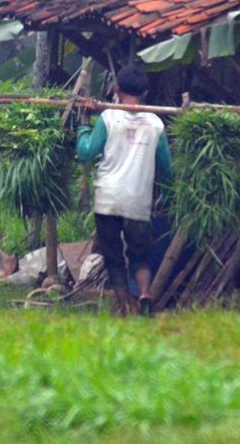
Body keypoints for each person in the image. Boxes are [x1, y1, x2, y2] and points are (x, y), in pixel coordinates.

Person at [76, 65, 173, 316]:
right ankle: (144, 294)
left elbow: (86, 152)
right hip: (138, 202)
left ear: (116, 89)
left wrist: (84, 126)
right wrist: (172, 195)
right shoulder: (156, 124)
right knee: (140, 256)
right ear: (145, 93)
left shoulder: (109, 118)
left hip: (108, 199)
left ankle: (123, 307)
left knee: (114, 257)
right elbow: (166, 170)